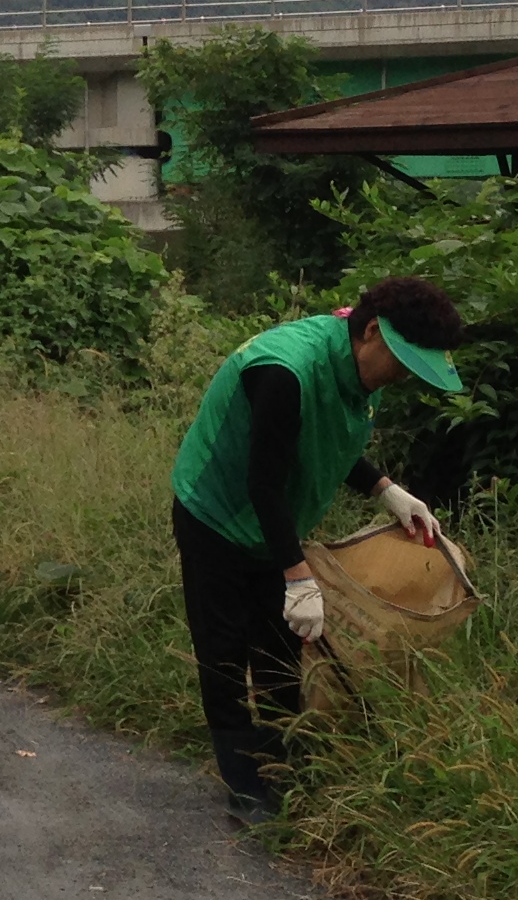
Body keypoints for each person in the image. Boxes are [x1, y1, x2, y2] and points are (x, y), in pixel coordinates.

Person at [168, 274, 464, 824]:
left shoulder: (353, 370)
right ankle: (244, 784)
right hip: (217, 514)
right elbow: (264, 482)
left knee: (280, 649)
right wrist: (299, 577)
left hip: (273, 518)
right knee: (225, 651)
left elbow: (326, 437)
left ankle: (282, 762)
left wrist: (388, 492)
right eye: (401, 364)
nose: (400, 379)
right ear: (372, 331)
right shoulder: (285, 372)